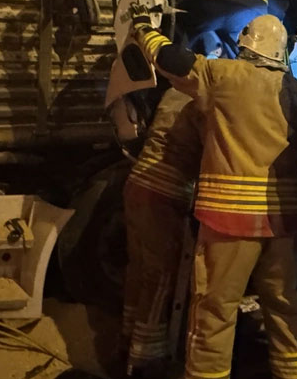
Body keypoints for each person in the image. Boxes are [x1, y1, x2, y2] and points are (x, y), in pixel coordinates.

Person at [130, 8, 297, 379]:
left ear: (245, 43)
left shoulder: (221, 75)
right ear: (281, 52)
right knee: (286, 306)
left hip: (229, 223)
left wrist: (142, 30)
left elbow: (169, 59)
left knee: (215, 309)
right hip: (285, 223)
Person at [120, 87, 201, 379]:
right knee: (161, 274)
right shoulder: (205, 101)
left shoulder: (174, 93)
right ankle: (145, 358)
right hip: (163, 193)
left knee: (139, 267)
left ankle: (128, 337)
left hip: (138, 182)